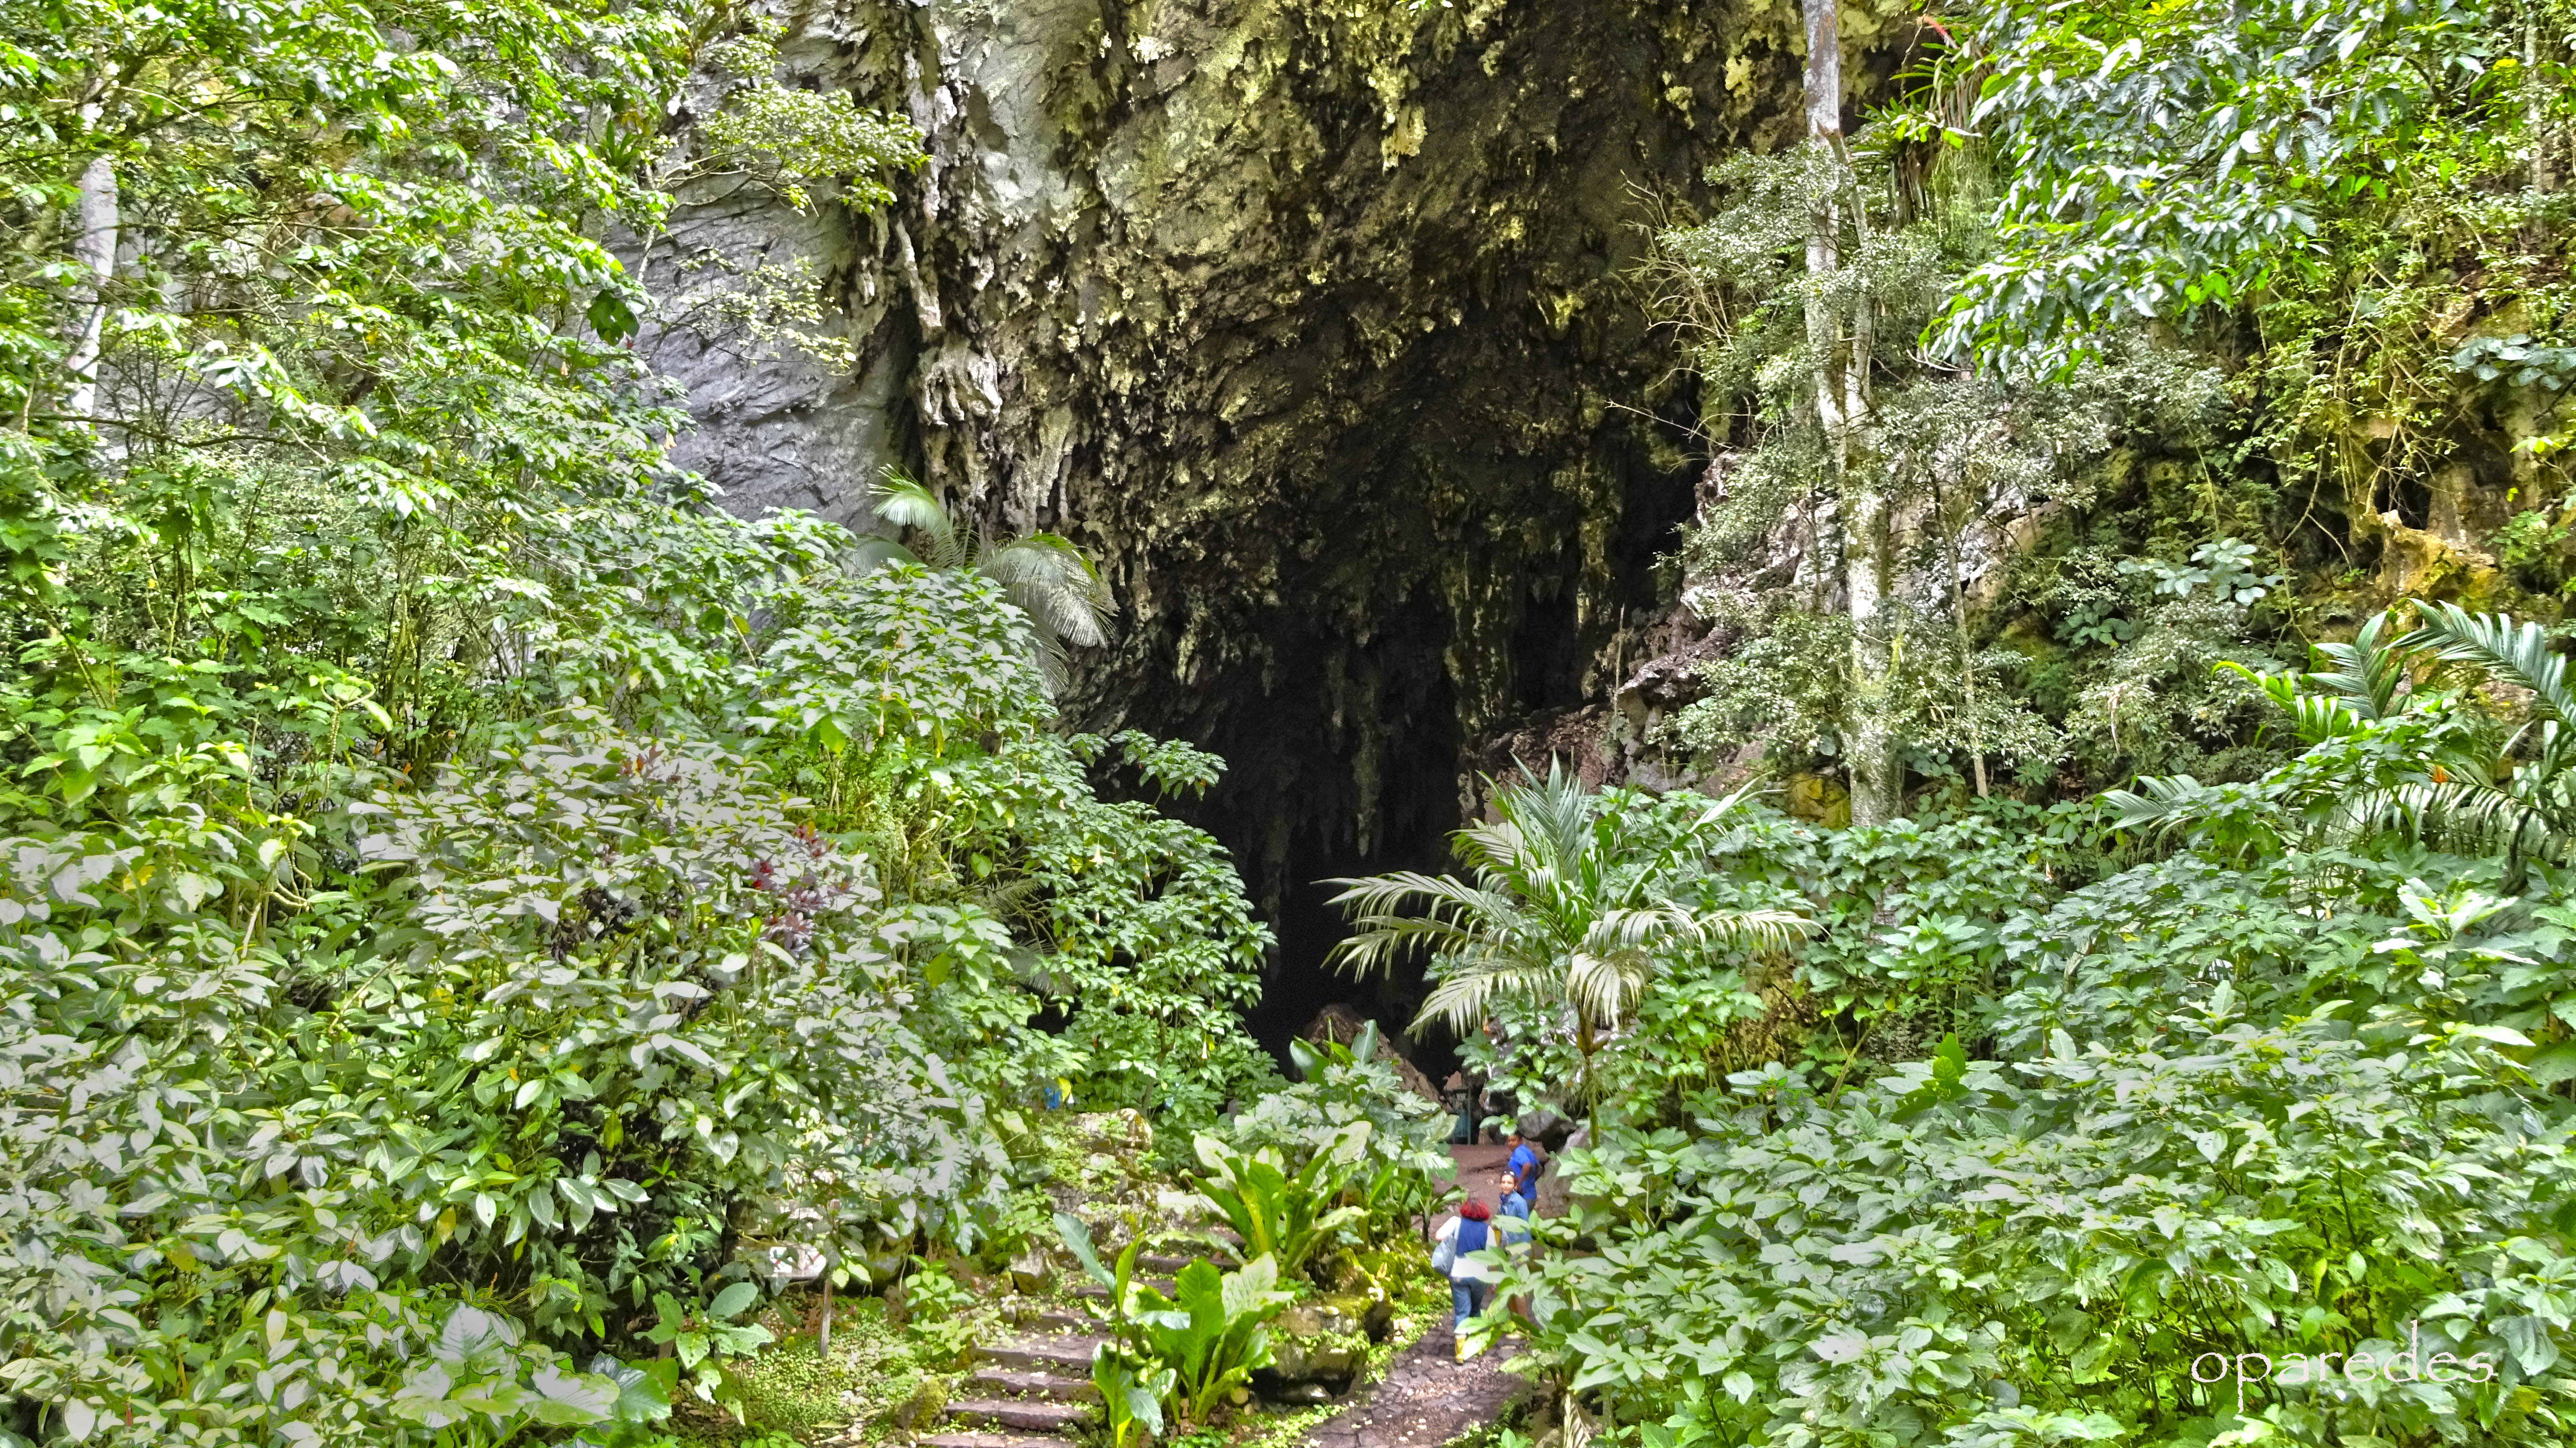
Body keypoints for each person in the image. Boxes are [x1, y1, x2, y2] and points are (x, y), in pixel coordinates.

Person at [1430, 1199, 1497, 1359]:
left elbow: (1438, 1236)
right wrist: (1493, 1281)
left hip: (1458, 1273)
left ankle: (1460, 1353)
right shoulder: (1488, 1230)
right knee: (1476, 1310)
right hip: (1480, 1275)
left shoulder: (1456, 1222)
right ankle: (1477, 1347)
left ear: (1465, 1209)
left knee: (1461, 1312)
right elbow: (1493, 1259)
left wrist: (1454, 1238)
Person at [1506, 1127, 1544, 1202]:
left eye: (1514, 1140)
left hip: (1524, 1196)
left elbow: (1527, 1164)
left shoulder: (1519, 1151)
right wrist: (1530, 1180)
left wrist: (1519, 1184)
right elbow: (1540, 1169)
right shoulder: (1525, 1150)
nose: (1510, 1143)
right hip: (1530, 1194)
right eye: (1508, 1141)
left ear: (1521, 1141)